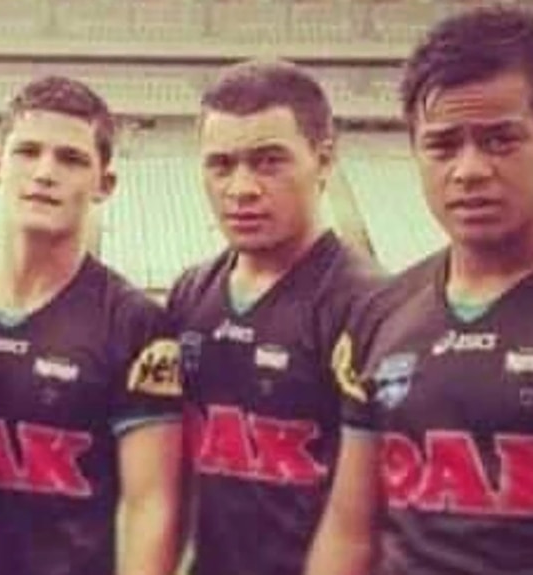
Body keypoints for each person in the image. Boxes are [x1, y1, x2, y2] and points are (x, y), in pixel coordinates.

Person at [0, 75, 183, 575]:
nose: (45, 172)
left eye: (71, 159)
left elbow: (150, 506)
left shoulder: (136, 324)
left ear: (105, 183)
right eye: (28, 152)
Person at [307, 6, 533, 575]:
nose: (469, 170)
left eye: (501, 140)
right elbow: (350, 530)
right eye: (442, 145)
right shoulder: (382, 313)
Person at [166, 59, 382, 575]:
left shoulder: (369, 305)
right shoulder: (191, 293)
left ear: (324, 160)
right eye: (220, 165)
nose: (241, 188)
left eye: (268, 162)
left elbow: (375, 518)